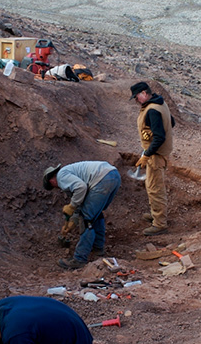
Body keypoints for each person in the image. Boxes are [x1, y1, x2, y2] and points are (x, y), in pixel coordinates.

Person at [43, 161, 121, 269]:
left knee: (86, 220)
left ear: (51, 180)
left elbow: (81, 188)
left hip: (101, 179)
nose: (59, 188)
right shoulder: (70, 171)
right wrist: (73, 220)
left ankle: (79, 259)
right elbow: (82, 199)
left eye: (54, 187)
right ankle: (98, 249)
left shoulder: (61, 176)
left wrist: (71, 206)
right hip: (113, 175)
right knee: (96, 215)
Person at [130, 81, 175, 235]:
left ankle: (160, 224)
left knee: (155, 189)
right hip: (158, 153)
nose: (136, 101)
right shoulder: (160, 103)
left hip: (156, 155)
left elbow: (159, 137)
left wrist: (147, 153)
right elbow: (171, 122)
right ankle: (156, 214)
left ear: (144, 93)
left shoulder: (152, 111)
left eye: (136, 97)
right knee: (151, 185)